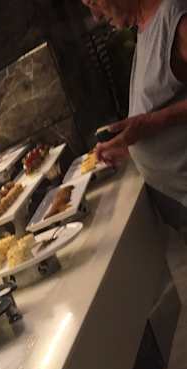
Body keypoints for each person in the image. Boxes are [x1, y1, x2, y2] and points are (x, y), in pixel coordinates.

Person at [85, 0, 187, 225]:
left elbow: (155, 118)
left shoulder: (175, 18)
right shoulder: (143, 27)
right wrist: (131, 146)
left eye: (93, 2)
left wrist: (154, 122)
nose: (95, 16)